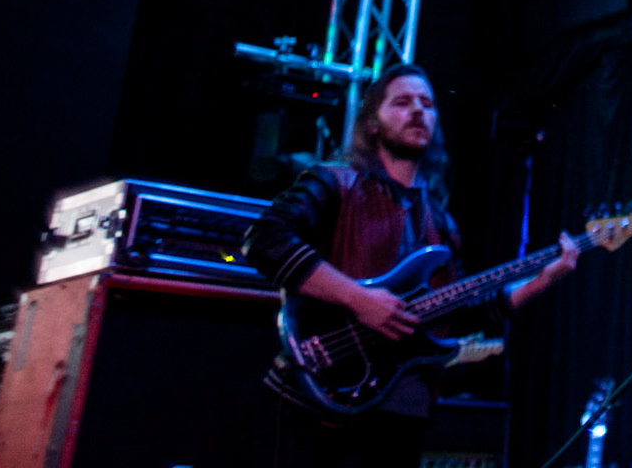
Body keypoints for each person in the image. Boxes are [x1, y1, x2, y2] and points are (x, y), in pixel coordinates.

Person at [244, 63, 580, 467]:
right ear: (372, 122)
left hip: (405, 410)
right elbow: (264, 240)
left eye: (427, 104)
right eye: (402, 102)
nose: (418, 111)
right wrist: (360, 299)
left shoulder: (441, 222)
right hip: (325, 394)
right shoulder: (335, 182)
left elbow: (455, 314)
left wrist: (540, 281)